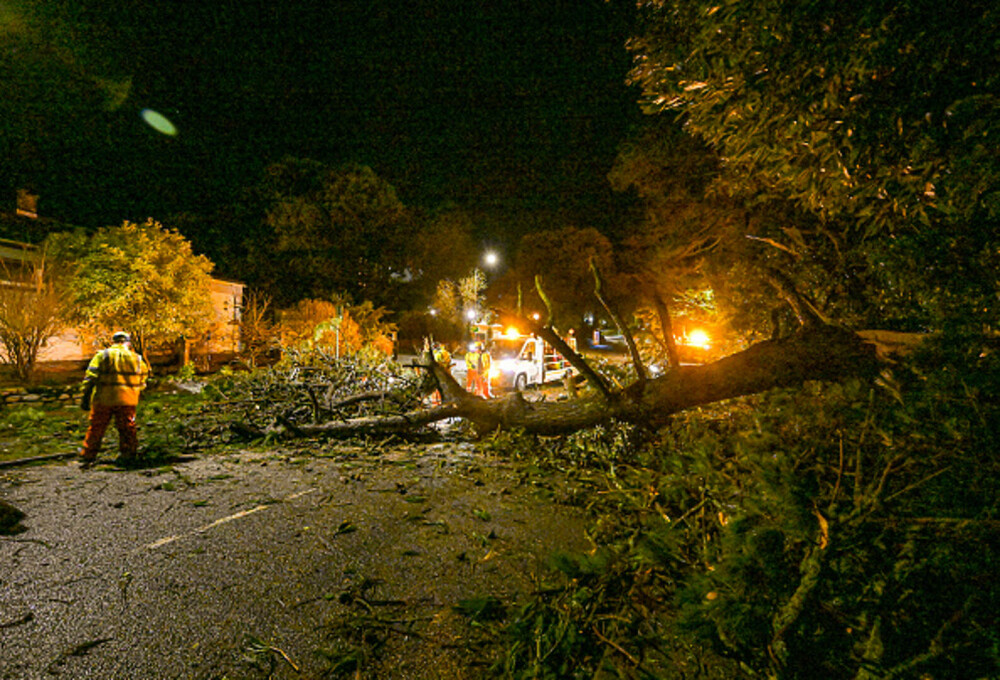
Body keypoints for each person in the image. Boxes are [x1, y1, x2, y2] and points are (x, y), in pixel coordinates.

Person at [79, 331, 151, 468]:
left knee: (97, 427)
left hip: (104, 399)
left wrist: (85, 397)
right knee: (127, 428)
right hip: (128, 400)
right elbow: (143, 381)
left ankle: (88, 454)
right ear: (128, 343)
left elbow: (90, 378)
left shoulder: (103, 355)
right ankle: (128, 454)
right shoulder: (137, 359)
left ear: (113, 341)